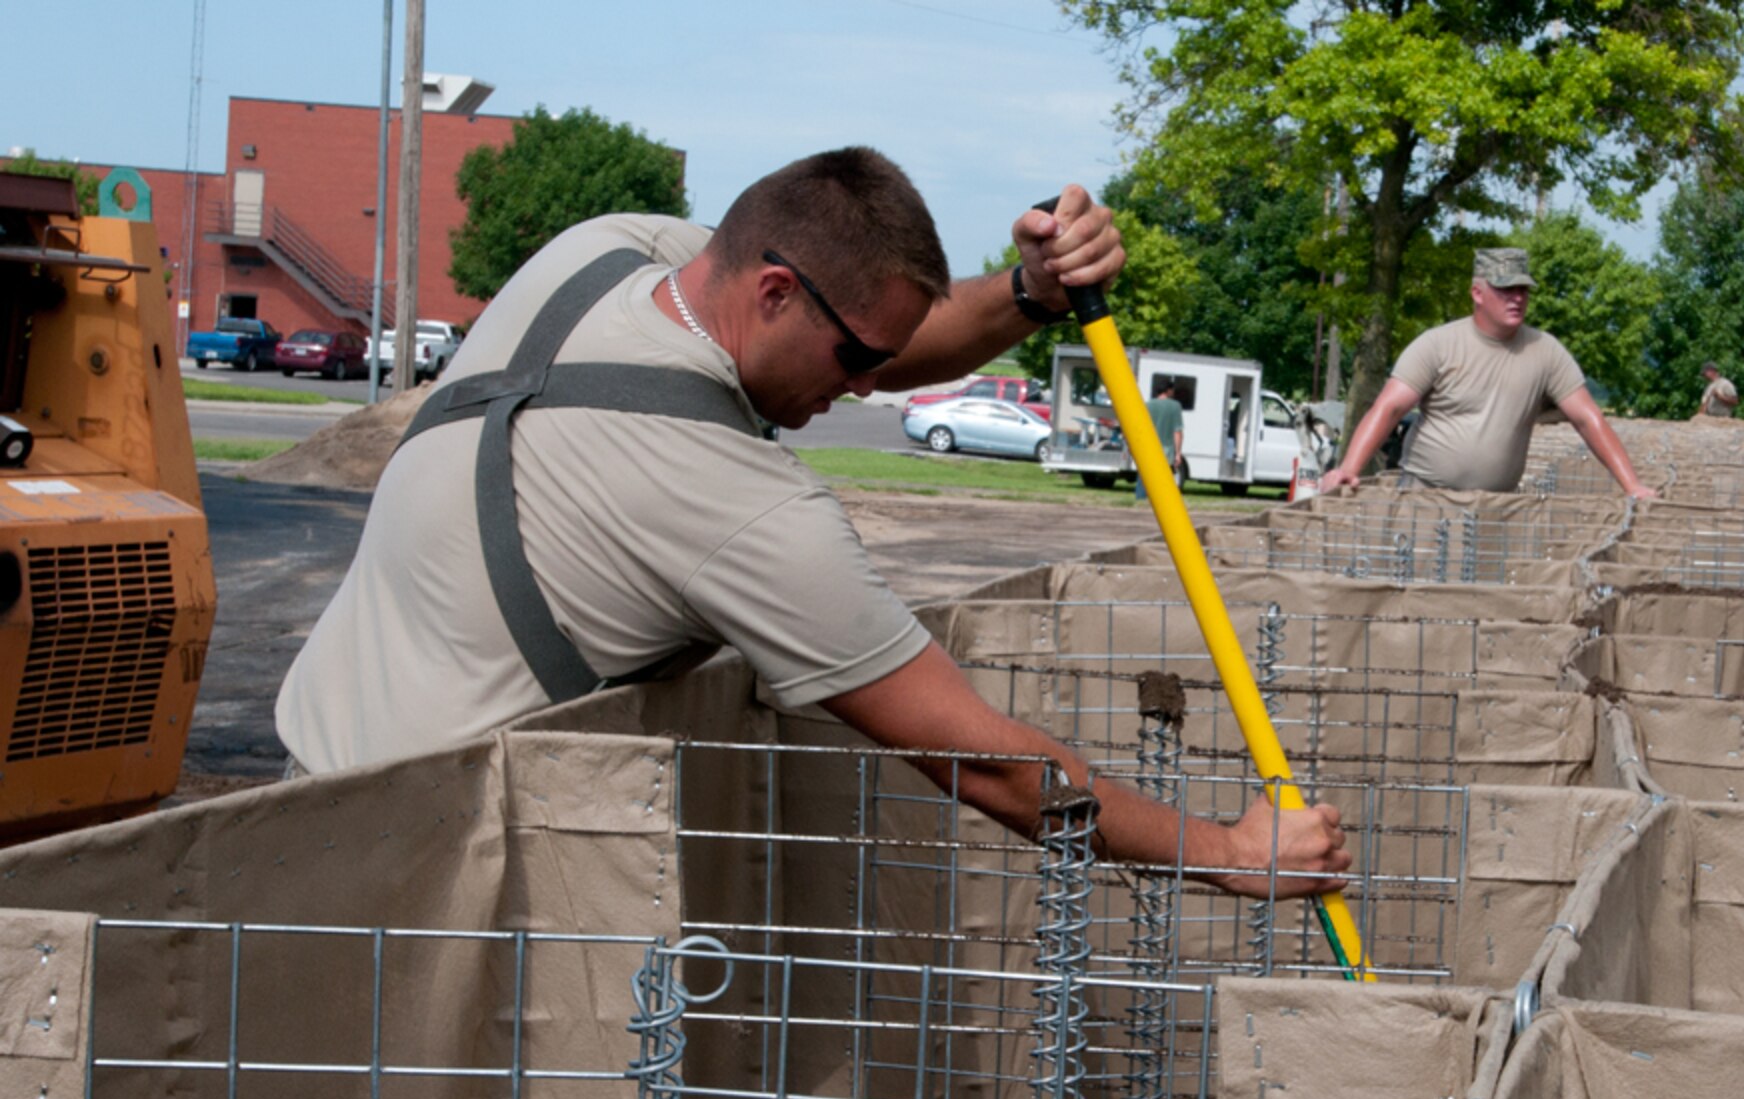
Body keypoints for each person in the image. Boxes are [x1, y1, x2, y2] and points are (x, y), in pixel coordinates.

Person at [274, 147, 1347, 902]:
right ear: (777, 289)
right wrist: (1230, 851)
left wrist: (1026, 291)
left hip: (286, 801)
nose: (870, 387)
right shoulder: (739, 508)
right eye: (854, 364)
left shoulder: (602, 253)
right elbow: (989, 765)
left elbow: (891, 327)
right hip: (411, 875)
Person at [1325, 248, 1657, 499]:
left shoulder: (1546, 351)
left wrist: (1633, 486)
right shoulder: (1438, 345)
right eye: (1505, 289)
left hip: (1496, 508)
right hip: (1425, 498)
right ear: (1477, 293)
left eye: (1523, 290)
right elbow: (1389, 408)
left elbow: (1588, 418)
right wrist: (1349, 469)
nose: (1516, 298)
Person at [1134, 379, 1184, 500]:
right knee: (1165, 485)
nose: (1173, 392)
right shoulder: (1175, 406)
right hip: (1166, 451)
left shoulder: (1148, 405)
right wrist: (1178, 453)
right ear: (1168, 390)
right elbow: (1177, 431)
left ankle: (1140, 502)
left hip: (1148, 450)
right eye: (1172, 390)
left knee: (1144, 479)